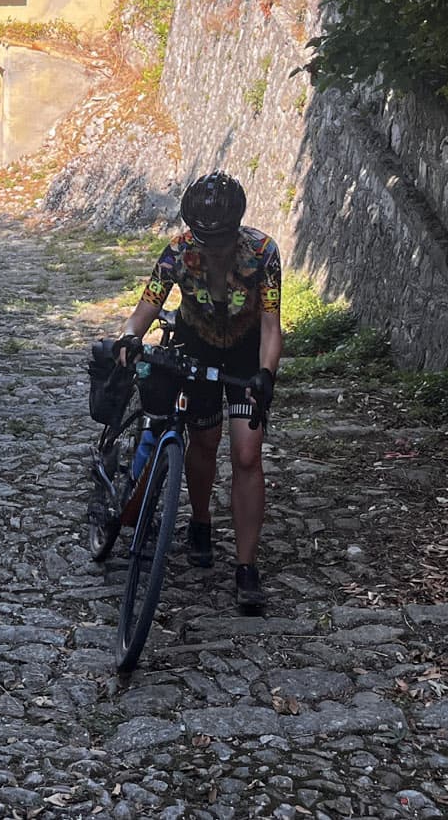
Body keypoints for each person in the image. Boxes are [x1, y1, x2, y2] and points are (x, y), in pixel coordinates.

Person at [112, 171, 282, 614]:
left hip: (245, 360)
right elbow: (147, 305)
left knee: (247, 454)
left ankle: (246, 567)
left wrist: (267, 373)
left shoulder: (263, 253)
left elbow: (270, 323)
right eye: (204, 238)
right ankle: (201, 522)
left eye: (221, 238)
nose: (212, 247)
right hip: (195, 351)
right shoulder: (177, 252)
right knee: (204, 442)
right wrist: (129, 336)